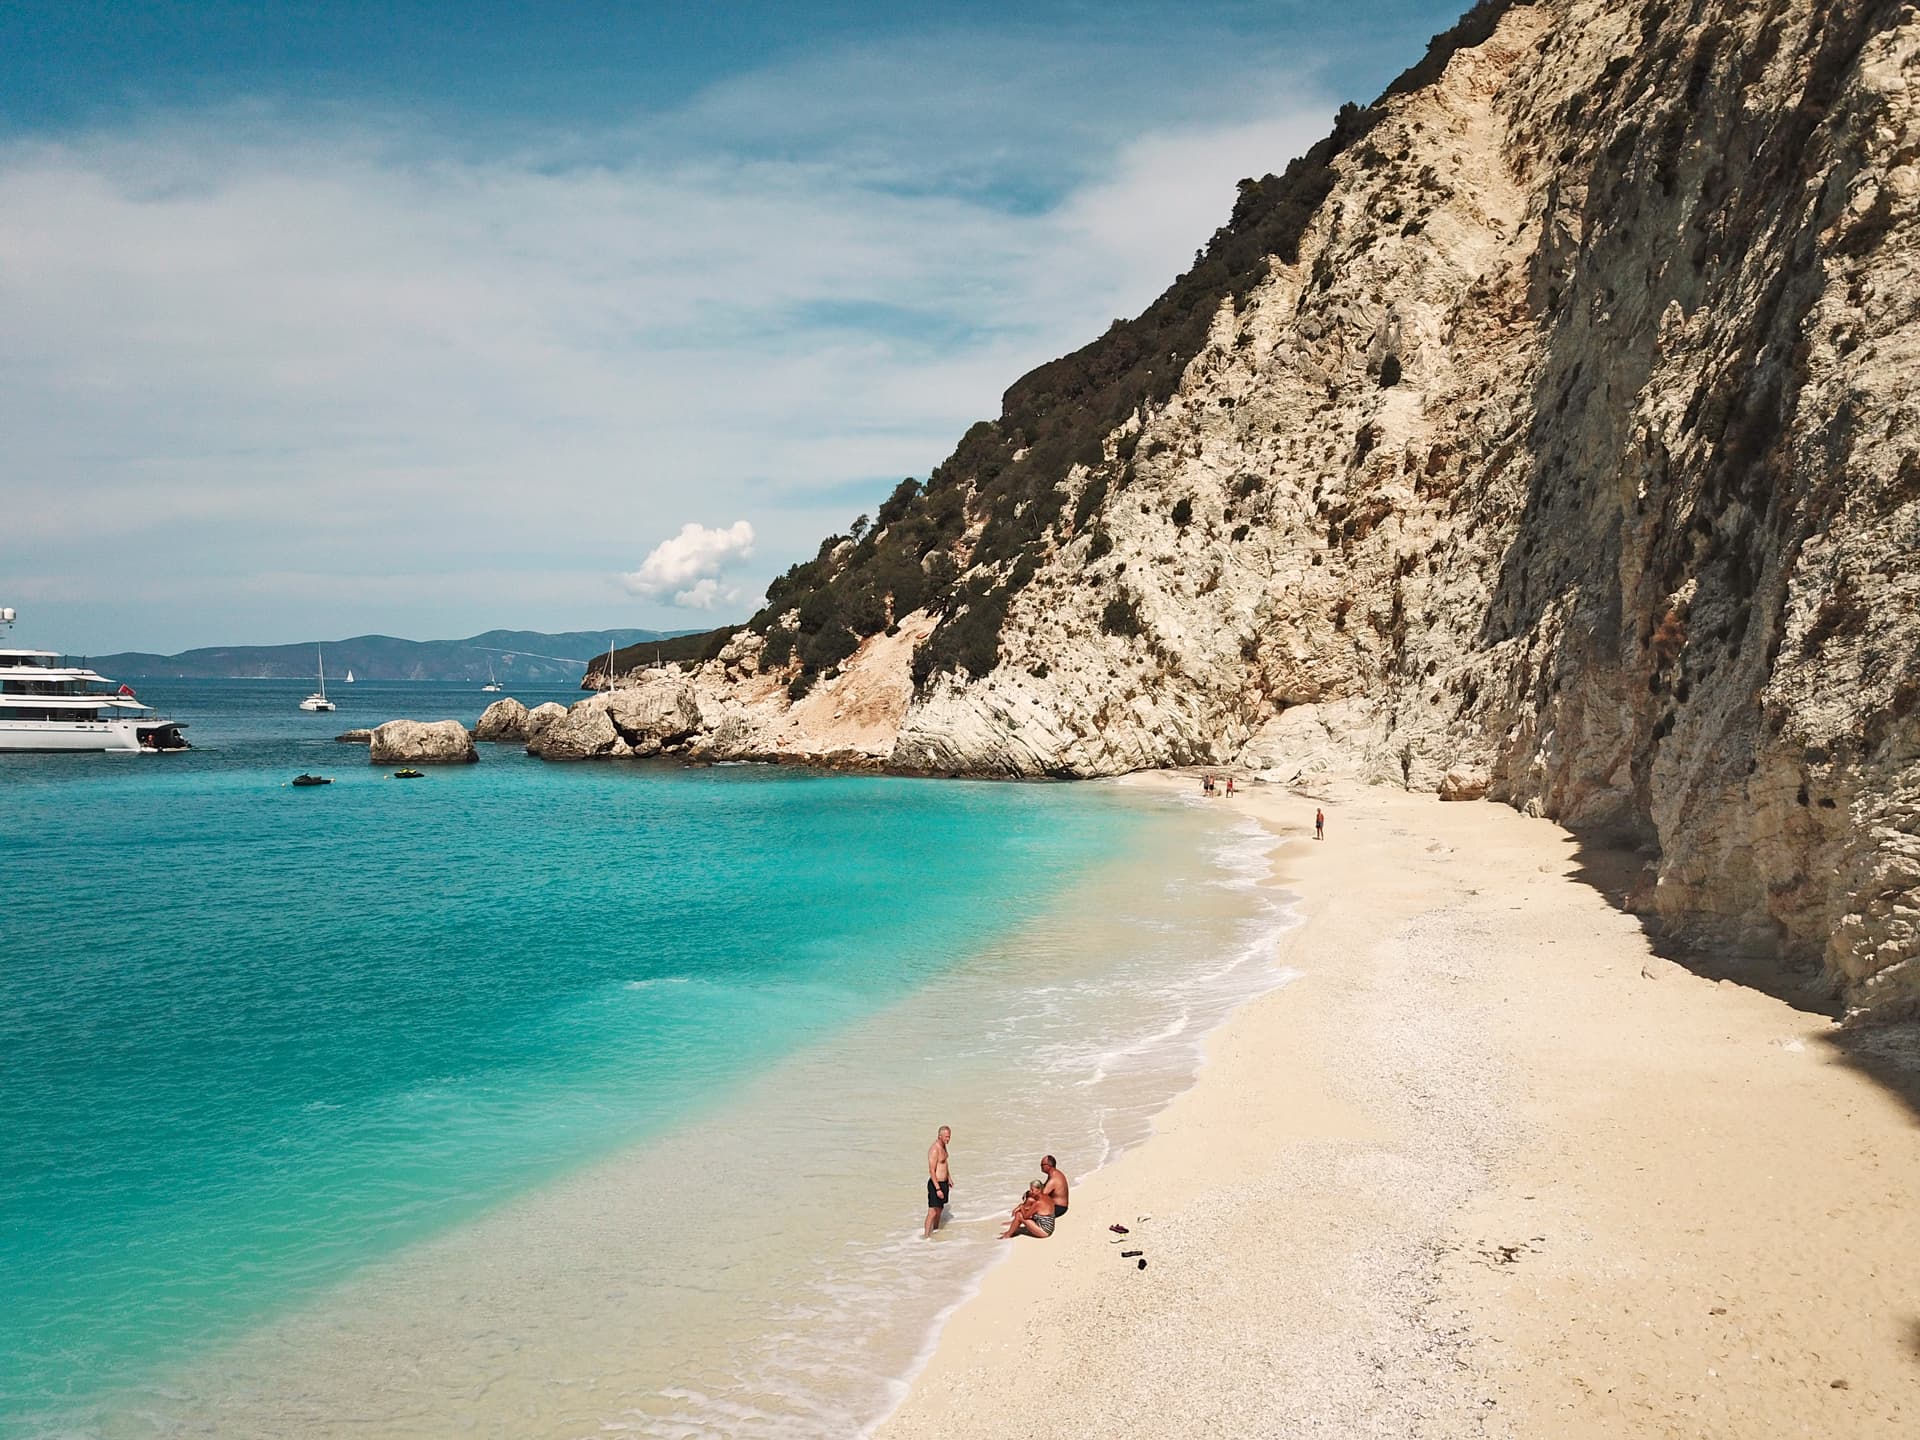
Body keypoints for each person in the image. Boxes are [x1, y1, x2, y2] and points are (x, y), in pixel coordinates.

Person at [924, 1125, 953, 1238]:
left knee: (940, 1209)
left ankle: (935, 1230)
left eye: (949, 1137)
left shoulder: (944, 1146)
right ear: (939, 1136)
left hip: (944, 1183)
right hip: (936, 1184)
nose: (948, 1139)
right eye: (946, 1137)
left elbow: (944, 1164)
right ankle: (926, 1235)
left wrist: (949, 1178)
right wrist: (937, 1188)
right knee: (932, 1212)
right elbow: (931, 1170)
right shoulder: (934, 1149)